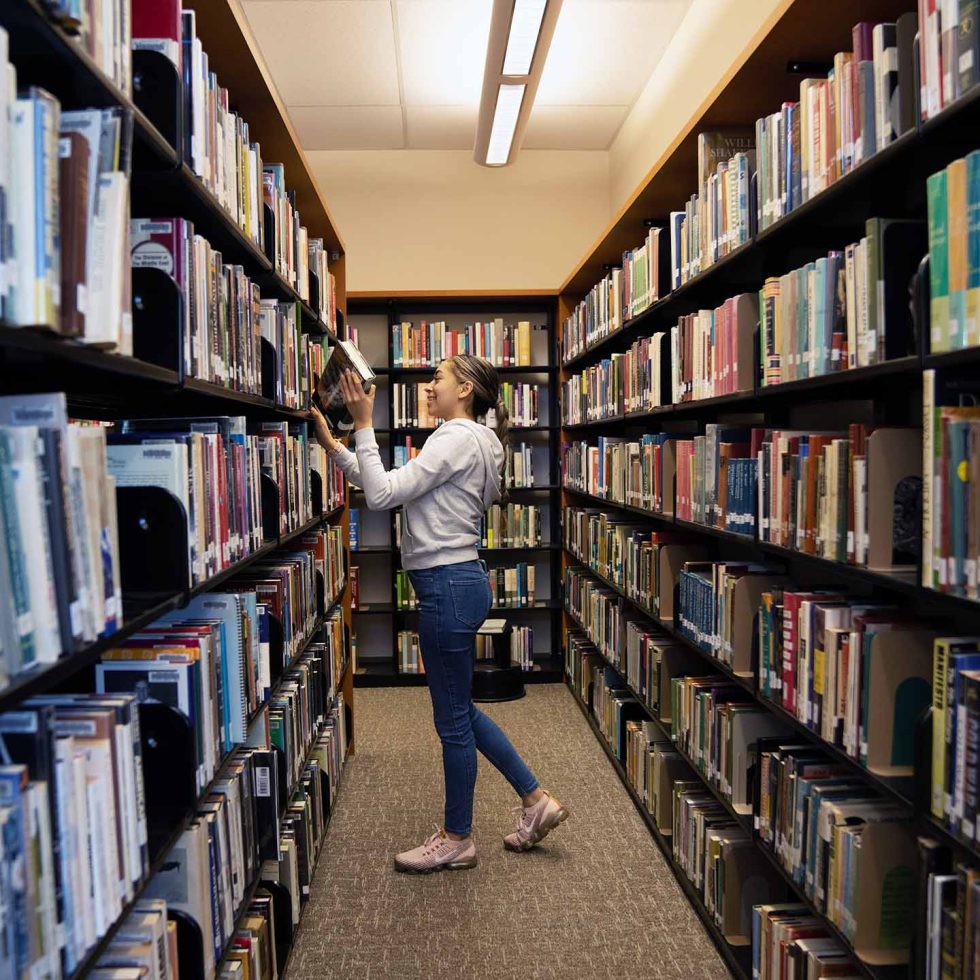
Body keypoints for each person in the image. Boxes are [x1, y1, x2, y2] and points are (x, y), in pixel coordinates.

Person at [308, 354, 570, 873]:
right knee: (462, 711)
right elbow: (392, 483)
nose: (429, 386)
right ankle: (535, 800)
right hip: (457, 583)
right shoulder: (479, 441)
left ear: (466, 389)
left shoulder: (453, 438)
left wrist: (363, 423)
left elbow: (381, 496)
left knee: (451, 720)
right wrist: (337, 448)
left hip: (447, 587)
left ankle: (457, 838)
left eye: (438, 378)